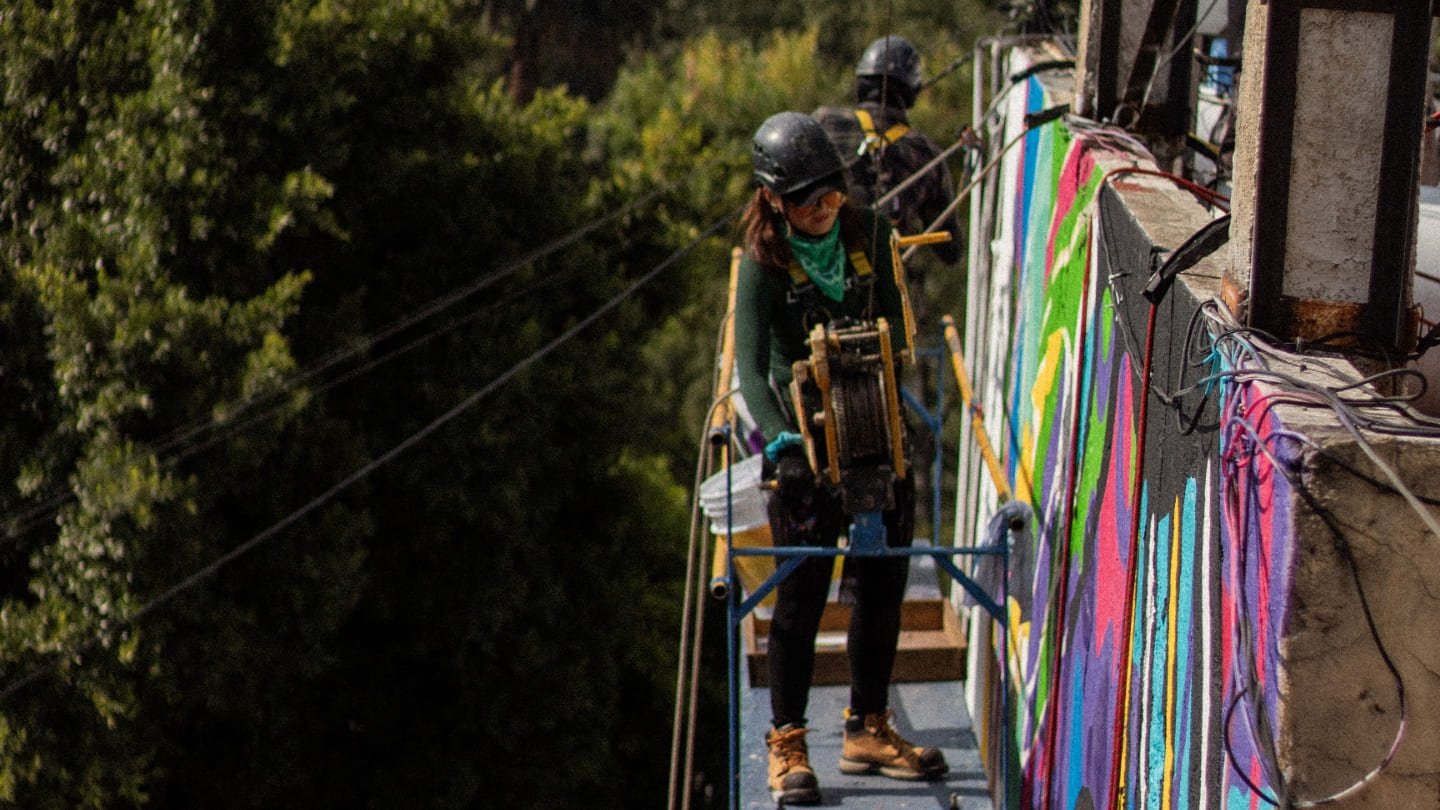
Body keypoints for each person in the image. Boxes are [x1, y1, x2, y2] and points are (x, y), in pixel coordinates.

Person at [736, 110, 948, 806]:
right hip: (803, 439)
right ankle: (788, 740)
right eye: (807, 200)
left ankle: (868, 725)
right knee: (799, 597)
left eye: (833, 194)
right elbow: (749, 369)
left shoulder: (873, 235)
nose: (826, 210)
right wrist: (782, 443)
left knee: (883, 582)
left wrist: (884, 425)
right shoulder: (762, 265)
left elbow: (894, 324)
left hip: (872, 430)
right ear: (773, 199)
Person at [812, 35, 962, 265]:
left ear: (861, 82)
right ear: (911, 92)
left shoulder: (823, 123)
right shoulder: (924, 151)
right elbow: (951, 251)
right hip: (885, 283)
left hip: (818, 271)